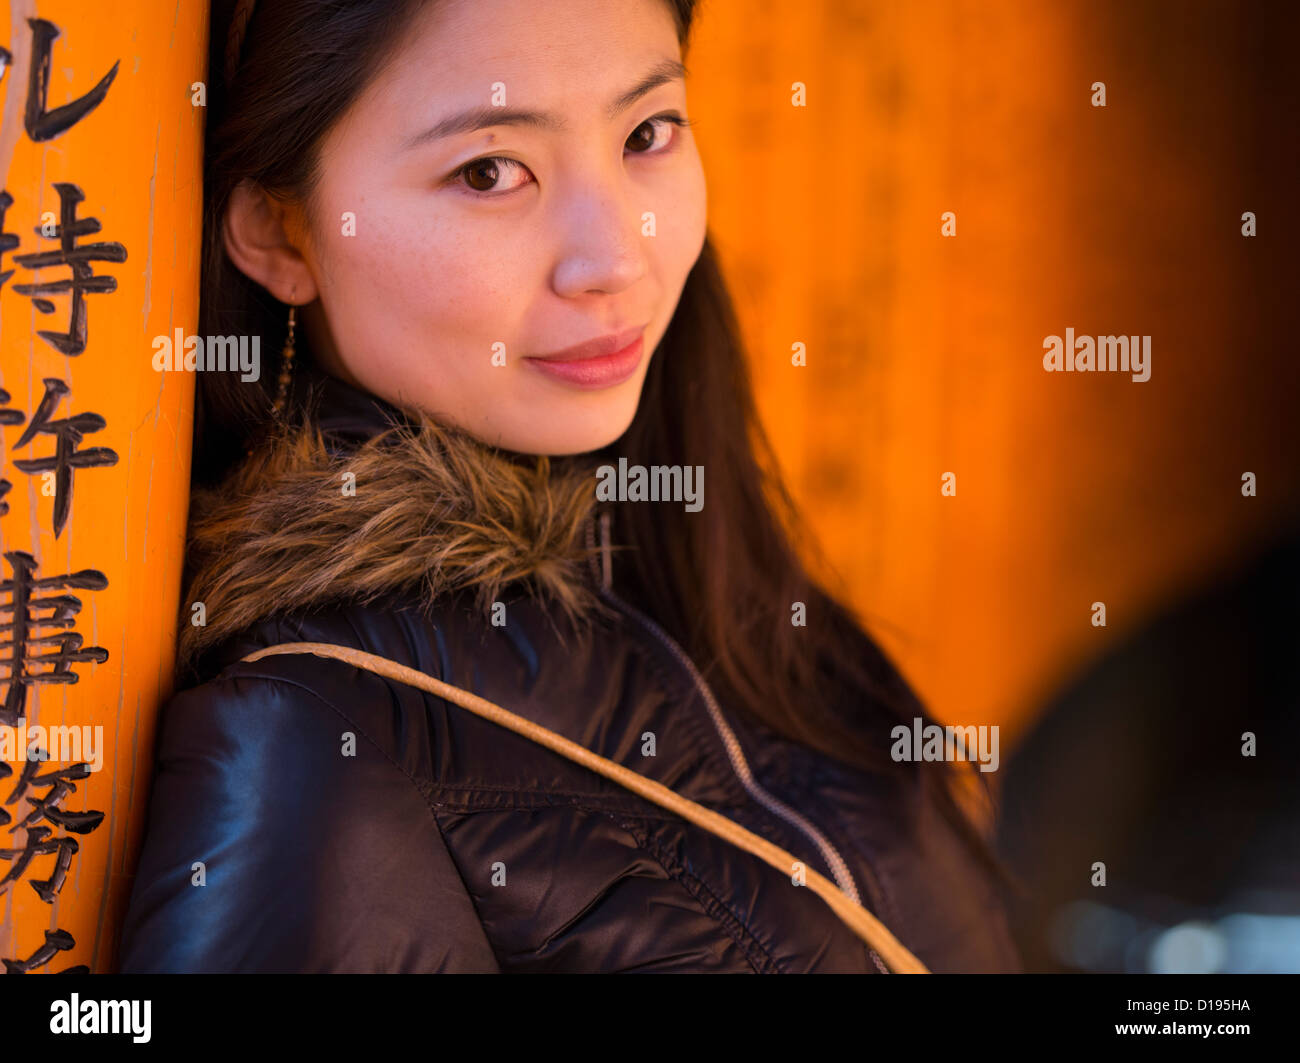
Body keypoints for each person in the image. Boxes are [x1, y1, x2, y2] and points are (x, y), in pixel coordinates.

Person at [117, 0, 1022, 973]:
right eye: (489, 171)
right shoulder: (309, 752)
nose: (616, 259)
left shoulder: (696, 578)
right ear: (279, 231)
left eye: (646, 133)